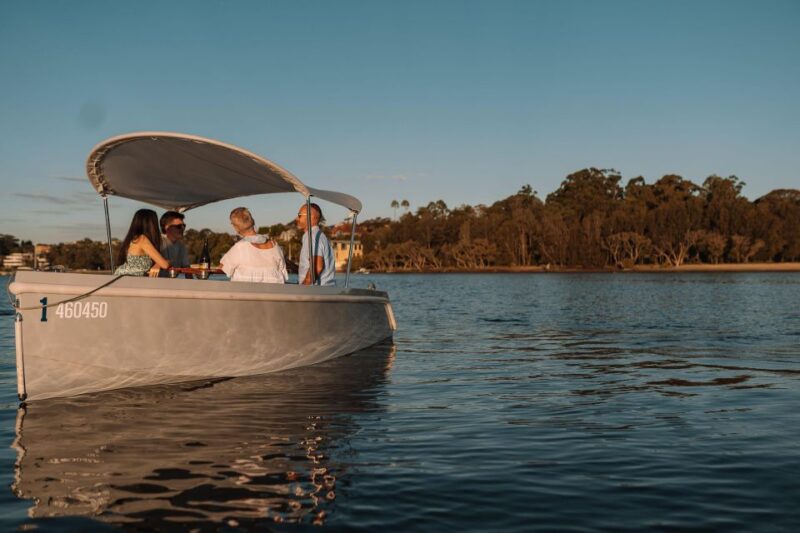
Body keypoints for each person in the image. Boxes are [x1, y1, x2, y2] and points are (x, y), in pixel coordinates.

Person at [220, 207, 288, 283]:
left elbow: (224, 267)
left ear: (236, 228)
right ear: (253, 221)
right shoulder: (275, 246)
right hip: (274, 290)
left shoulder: (240, 248)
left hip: (245, 290)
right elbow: (283, 273)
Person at [114, 209, 170, 277]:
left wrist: (157, 264)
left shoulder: (134, 238)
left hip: (125, 277)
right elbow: (165, 265)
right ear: (150, 224)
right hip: (128, 278)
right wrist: (160, 264)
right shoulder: (142, 239)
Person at [296, 202, 335, 286]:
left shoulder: (312, 236)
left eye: (299, 215)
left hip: (315, 290)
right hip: (325, 289)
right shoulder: (319, 235)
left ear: (311, 216)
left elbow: (317, 267)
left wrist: (304, 286)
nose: (296, 219)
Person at [159, 211, 192, 278]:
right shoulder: (158, 242)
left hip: (172, 282)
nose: (182, 228)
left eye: (183, 226)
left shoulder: (182, 246)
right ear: (167, 227)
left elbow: (187, 270)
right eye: (179, 226)